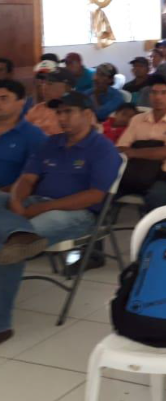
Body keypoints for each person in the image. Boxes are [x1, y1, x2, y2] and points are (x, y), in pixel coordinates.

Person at [0, 90, 121, 344]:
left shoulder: (102, 148)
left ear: (87, 114)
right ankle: (14, 228)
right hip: (35, 203)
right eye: (59, 112)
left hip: (76, 214)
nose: (62, 118)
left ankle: (2, 324)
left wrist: (40, 209)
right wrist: (17, 200)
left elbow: (94, 196)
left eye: (68, 112)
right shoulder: (52, 143)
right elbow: (27, 178)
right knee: (11, 220)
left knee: (14, 246)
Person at [117, 76, 166, 211]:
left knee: (157, 198)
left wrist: (134, 152)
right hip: (133, 171)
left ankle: (152, 223)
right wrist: (147, 152)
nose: (158, 97)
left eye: (164, 93)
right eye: (154, 93)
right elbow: (121, 147)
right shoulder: (137, 119)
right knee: (103, 189)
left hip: (163, 175)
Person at [0, 80, 47, 192]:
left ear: (21, 102)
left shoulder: (34, 136)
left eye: (3, 99)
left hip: (8, 196)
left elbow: (33, 180)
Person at [26, 69, 74, 136]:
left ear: (66, 88)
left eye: (50, 84)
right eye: (44, 83)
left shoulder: (76, 111)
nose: (44, 87)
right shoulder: (35, 110)